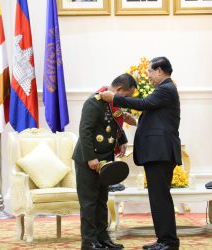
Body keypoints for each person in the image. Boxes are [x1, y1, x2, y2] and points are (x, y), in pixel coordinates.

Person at [100, 57, 181, 250]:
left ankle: (168, 242)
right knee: (158, 198)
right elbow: (157, 120)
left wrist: (115, 98)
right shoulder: (165, 90)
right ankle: (164, 240)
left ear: (160, 70)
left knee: (160, 198)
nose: (149, 77)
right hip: (159, 152)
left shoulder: (166, 88)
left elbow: (144, 104)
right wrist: (134, 122)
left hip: (160, 153)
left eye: (150, 72)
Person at [72, 73, 137, 250]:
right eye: (127, 96)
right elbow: (85, 131)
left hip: (106, 158)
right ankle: (89, 241)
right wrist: (91, 158)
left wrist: (122, 139)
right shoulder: (94, 102)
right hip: (89, 159)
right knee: (89, 202)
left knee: (102, 200)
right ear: (119, 90)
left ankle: (102, 238)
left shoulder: (112, 104)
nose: (127, 100)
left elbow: (115, 124)